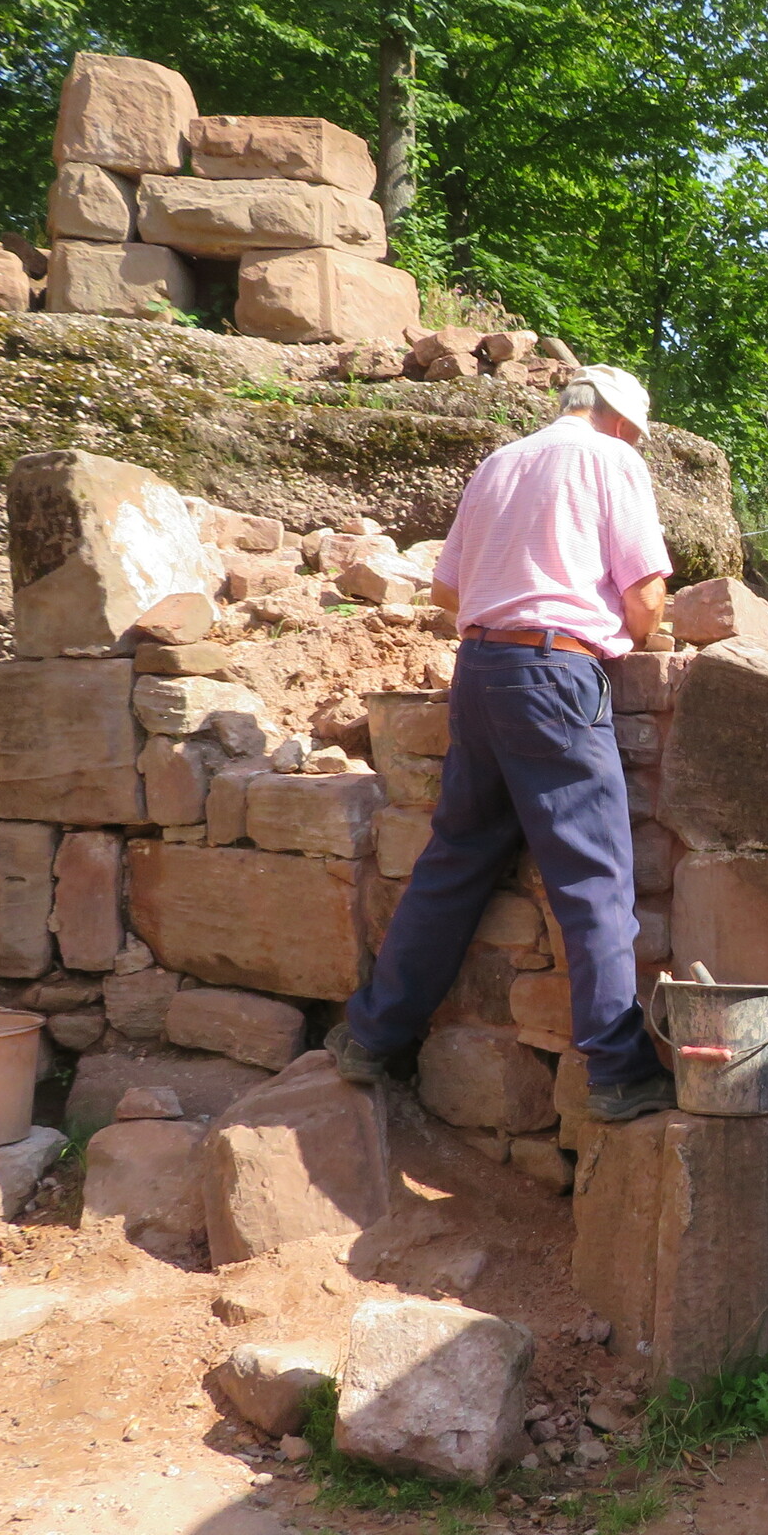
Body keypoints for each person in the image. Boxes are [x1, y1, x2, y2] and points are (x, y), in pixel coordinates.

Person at [325, 364, 680, 1123]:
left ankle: (372, 1037)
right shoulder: (612, 459)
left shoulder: (501, 461)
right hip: (555, 673)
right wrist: (630, 630)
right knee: (594, 881)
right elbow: (645, 596)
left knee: (454, 861)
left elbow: (447, 590)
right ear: (620, 420)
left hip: (479, 668)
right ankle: (619, 1072)